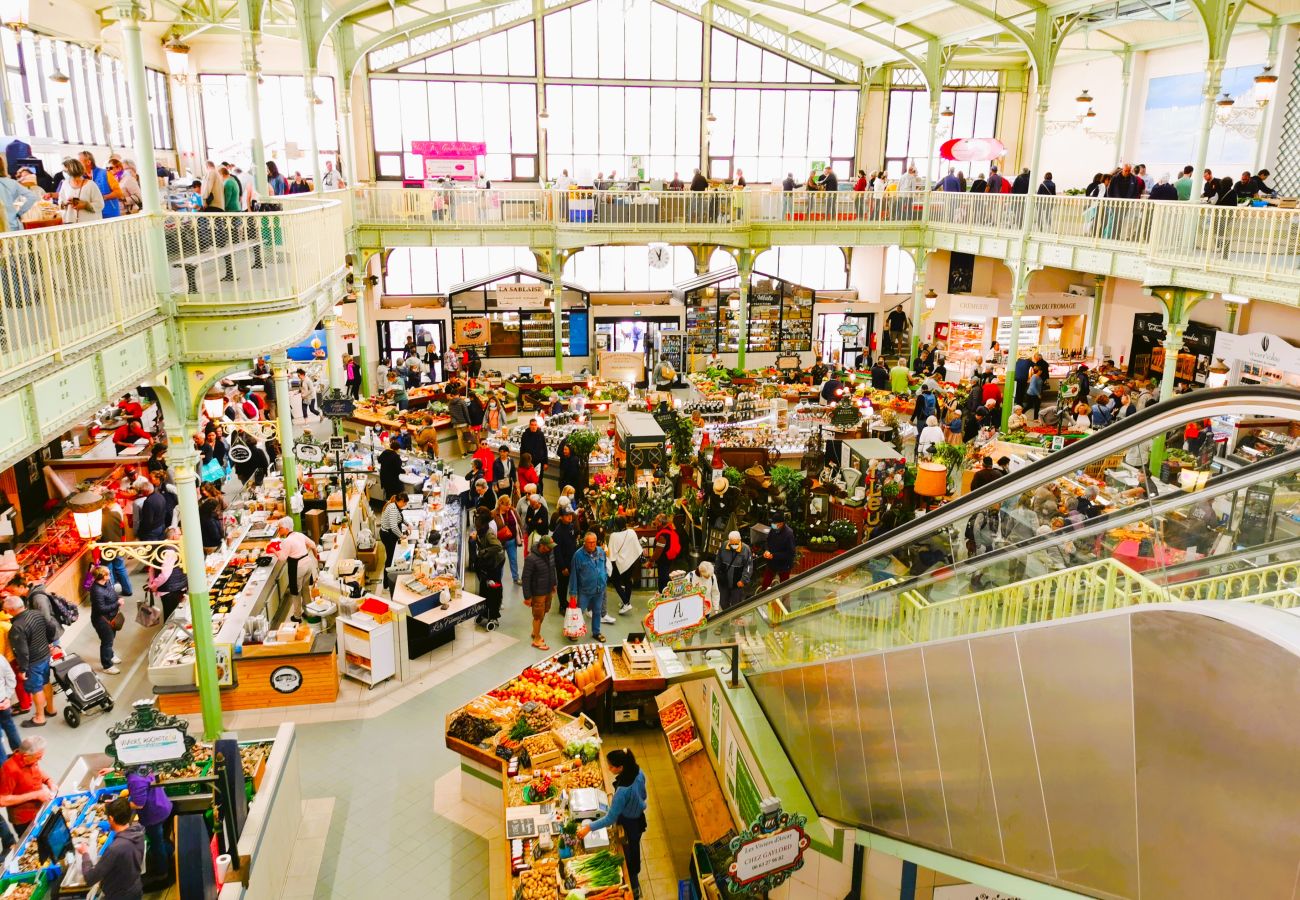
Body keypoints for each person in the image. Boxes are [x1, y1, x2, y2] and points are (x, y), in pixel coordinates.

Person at [576, 748, 648, 897]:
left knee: (632, 851)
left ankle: (634, 884)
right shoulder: (638, 772)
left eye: (611, 766)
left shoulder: (622, 791)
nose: (608, 768)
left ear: (620, 767)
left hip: (630, 822)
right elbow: (644, 794)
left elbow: (610, 819)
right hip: (638, 817)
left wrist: (589, 827)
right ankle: (634, 876)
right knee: (634, 848)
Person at [78, 794, 145, 899]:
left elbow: (90, 878)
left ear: (111, 818)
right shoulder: (138, 831)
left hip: (120, 895)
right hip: (135, 888)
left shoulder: (115, 849)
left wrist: (85, 854)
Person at [4, 594, 55, 728]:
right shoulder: (36, 613)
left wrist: (23, 669)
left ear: (11, 610)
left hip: (33, 662)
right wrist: (49, 642)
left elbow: (22, 652)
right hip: (45, 655)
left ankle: (39, 717)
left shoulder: (17, 627)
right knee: (46, 682)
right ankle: (50, 709)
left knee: (36, 688)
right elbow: (51, 627)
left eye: (6, 610)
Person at [0, 736, 56, 837]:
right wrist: (35, 795)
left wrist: (49, 780)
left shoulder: (31, 760)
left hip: (39, 809)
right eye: (38, 757)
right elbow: (2, 800)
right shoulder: (9, 770)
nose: (40, 759)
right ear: (26, 755)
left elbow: (37, 770)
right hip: (24, 819)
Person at [126, 767, 173, 881]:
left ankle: (162, 872)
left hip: (154, 815)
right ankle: (170, 852)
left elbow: (139, 804)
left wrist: (121, 803)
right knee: (160, 840)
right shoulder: (142, 766)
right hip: (162, 806)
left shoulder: (135, 780)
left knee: (157, 844)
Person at [271, 517, 318, 621]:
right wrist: (316, 556)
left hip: (298, 567)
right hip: (308, 564)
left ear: (286, 528)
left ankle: (297, 616)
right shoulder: (299, 535)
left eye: (280, 528)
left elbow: (282, 558)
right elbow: (313, 545)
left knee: (296, 592)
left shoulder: (287, 541)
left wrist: (273, 550)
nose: (279, 530)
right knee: (305, 589)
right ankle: (309, 612)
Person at [568, 532, 612, 643]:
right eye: (589, 542)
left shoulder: (601, 552)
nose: (592, 544)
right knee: (578, 612)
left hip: (599, 589)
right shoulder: (578, 555)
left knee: (597, 611)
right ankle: (573, 631)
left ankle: (596, 632)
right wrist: (573, 593)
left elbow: (605, 566)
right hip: (585, 591)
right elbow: (574, 575)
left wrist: (604, 578)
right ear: (584, 542)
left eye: (594, 542)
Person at [522, 535, 557, 650]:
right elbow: (525, 578)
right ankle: (536, 639)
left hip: (548, 589)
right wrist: (527, 597)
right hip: (537, 592)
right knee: (538, 616)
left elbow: (552, 569)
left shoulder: (550, 553)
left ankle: (534, 632)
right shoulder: (531, 559)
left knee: (544, 612)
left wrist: (554, 583)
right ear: (542, 546)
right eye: (549, 547)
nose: (551, 549)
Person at [471, 509, 505, 628]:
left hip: (494, 565)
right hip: (487, 564)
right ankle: (484, 612)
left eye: (478, 523)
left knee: (493, 589)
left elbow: (498, 546)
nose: (476, 525)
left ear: (484, 523)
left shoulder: (489, 533)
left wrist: (484, 551)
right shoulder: (481, 532)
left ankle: (493, 614)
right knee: (484, 588)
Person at [86, 566, 122, 675]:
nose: (110, 575)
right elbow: (101, 609)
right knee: (107, 641)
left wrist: (117, 599)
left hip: (111, 617)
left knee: (111, 638)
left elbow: (112, 594)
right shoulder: (97, 591)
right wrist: (117, 603)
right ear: (103, 576)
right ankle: (107, 665)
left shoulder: (106, 584)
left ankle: (110, 655)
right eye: (108, 573)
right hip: (102, 620)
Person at [145, 532, 187, 622]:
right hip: (171, 589)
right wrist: (154, 585)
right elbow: (165, 574)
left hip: (171, 588)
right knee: (171, 616)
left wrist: (152, 583)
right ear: (173, 536)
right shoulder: (170, 551)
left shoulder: (161, 547)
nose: (181, 535)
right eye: (179, 534)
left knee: (172, 613)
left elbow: (152, 568)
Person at [607, 517, 642, 615]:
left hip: (619, 563)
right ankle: (625, 601)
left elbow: (611, 553)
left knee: (615, 581)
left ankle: (626, 603)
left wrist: (610, 562)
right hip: (631, 561)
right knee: (627, 582)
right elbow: (636, 546)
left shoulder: (613, 536)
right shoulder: (631, 532)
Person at [377, 493, 408, 591]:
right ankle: (386, 583)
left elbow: (400, 518)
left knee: (392, 556)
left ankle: (390, 579)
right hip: (388, 536)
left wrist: (408, 524)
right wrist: (402, 536)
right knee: (390, 558)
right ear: (401, 501)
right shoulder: (393, 509)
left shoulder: (394, 505)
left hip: (390, 534)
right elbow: (394, 527)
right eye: (405, 503)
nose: (405, 505)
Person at [715, 531, 752, 611]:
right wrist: (716, 574)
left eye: (736, 543)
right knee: (723, 602)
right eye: (732, 543)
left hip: (737, 582)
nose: (734, 545)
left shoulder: (746, 549)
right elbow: (718, 560)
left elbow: (748, 566)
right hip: (724, 581)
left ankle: (734, 618)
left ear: (740, 540)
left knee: (736, 604)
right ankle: (727, 616)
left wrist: (743, 580)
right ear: (729, 541)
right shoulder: (724, 545)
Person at [552, 507, 577, 613]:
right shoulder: (558, 532)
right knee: (562, 585)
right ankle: (562, 605)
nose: (569, 517)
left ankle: (566, 602)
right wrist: (563, 567)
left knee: (568, 583)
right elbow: (557, 551)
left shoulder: (570, 526)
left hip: (571, 561)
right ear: (561, 517)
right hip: (563, 564)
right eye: (567, 515)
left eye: (570, 515)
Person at [760, 512, 796, 589]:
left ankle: (784, 600)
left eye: (774, 523)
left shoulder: (789, 534)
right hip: (771, 563)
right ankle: (762, 598)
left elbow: (790, 553)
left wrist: (774, 555)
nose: (772, 525)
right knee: (765, 584)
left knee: (784, 588)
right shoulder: (773, 530)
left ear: (781, 523)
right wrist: (766, 550)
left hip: (784, 565)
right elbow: (767, 541)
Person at [493, 495, 522, 585]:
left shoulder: (512, 511)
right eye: (506, 505)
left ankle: (516, 578)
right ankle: (499, 579)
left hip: (511, 541)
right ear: (500, 504)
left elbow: (519, 522)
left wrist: (519, 535)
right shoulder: (494, 514)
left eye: (509, 504)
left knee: (513, 559)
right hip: (500, 543)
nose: (508, 507)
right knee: (500, 562)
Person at [650, 514, 681, 592]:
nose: (654, 522)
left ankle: (663, 597)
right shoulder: (670, 529)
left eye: (656, 521)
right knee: (667, 578)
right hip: (670, 559)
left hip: (663, 561)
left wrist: (651, 561)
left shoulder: (663, 536)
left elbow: (658, 551)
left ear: (660, 523)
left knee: (663, 581)